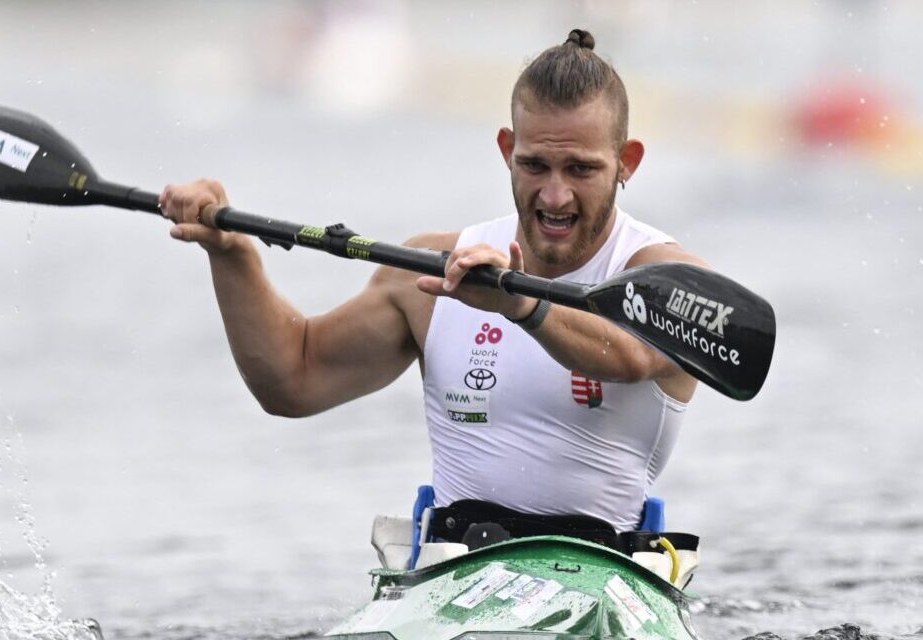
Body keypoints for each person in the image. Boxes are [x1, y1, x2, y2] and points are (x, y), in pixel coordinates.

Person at [158, 29, 709, 535]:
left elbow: (631, 355)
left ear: (626, 161)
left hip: (607, 569)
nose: (555, 195)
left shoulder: (668, 280)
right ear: (506, 151)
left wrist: (519, 307)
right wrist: (231, 255)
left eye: (581, 170)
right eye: (535, 165)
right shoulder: (430, 270)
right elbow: (293, 380)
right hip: (455, 565)